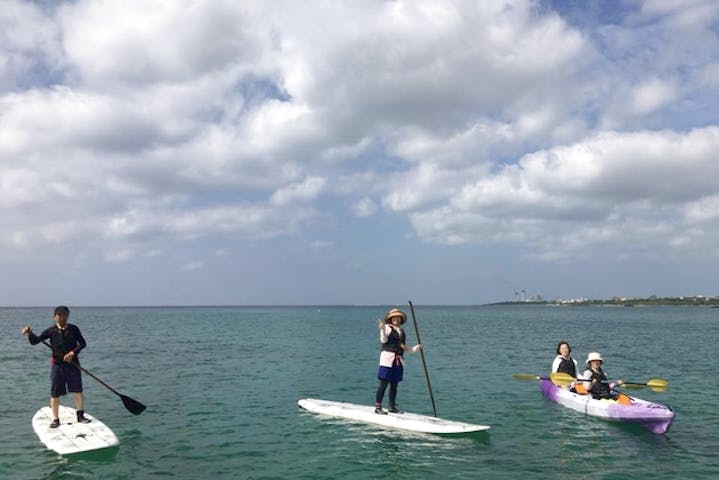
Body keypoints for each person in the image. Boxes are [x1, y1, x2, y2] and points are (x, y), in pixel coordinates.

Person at [21, 306, 91, 427]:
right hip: (57, 366)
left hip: (73, 364)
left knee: (77, 390)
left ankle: (80, 415)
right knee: (55, 393)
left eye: (66, 315)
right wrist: (29, 333)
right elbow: (34, 341)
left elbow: (83, 343)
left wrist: (72, 353)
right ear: (55, 317)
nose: (64, 318)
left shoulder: (74, 329)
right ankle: (55, 419)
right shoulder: (51, 331)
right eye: (61, 315)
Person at [374, 308, 422, 414]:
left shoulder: (401, 332)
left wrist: (416, 348)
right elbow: (383, 340)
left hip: (398, 360)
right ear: (391, 319)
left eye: (398, 318)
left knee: (394, 384)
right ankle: (378, 407)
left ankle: (391, 407)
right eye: (394, 318)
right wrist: (382, 329)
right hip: (387, 359)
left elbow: (403, 348)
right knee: (384, 383)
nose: (397, 319)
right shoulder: (386, 328)